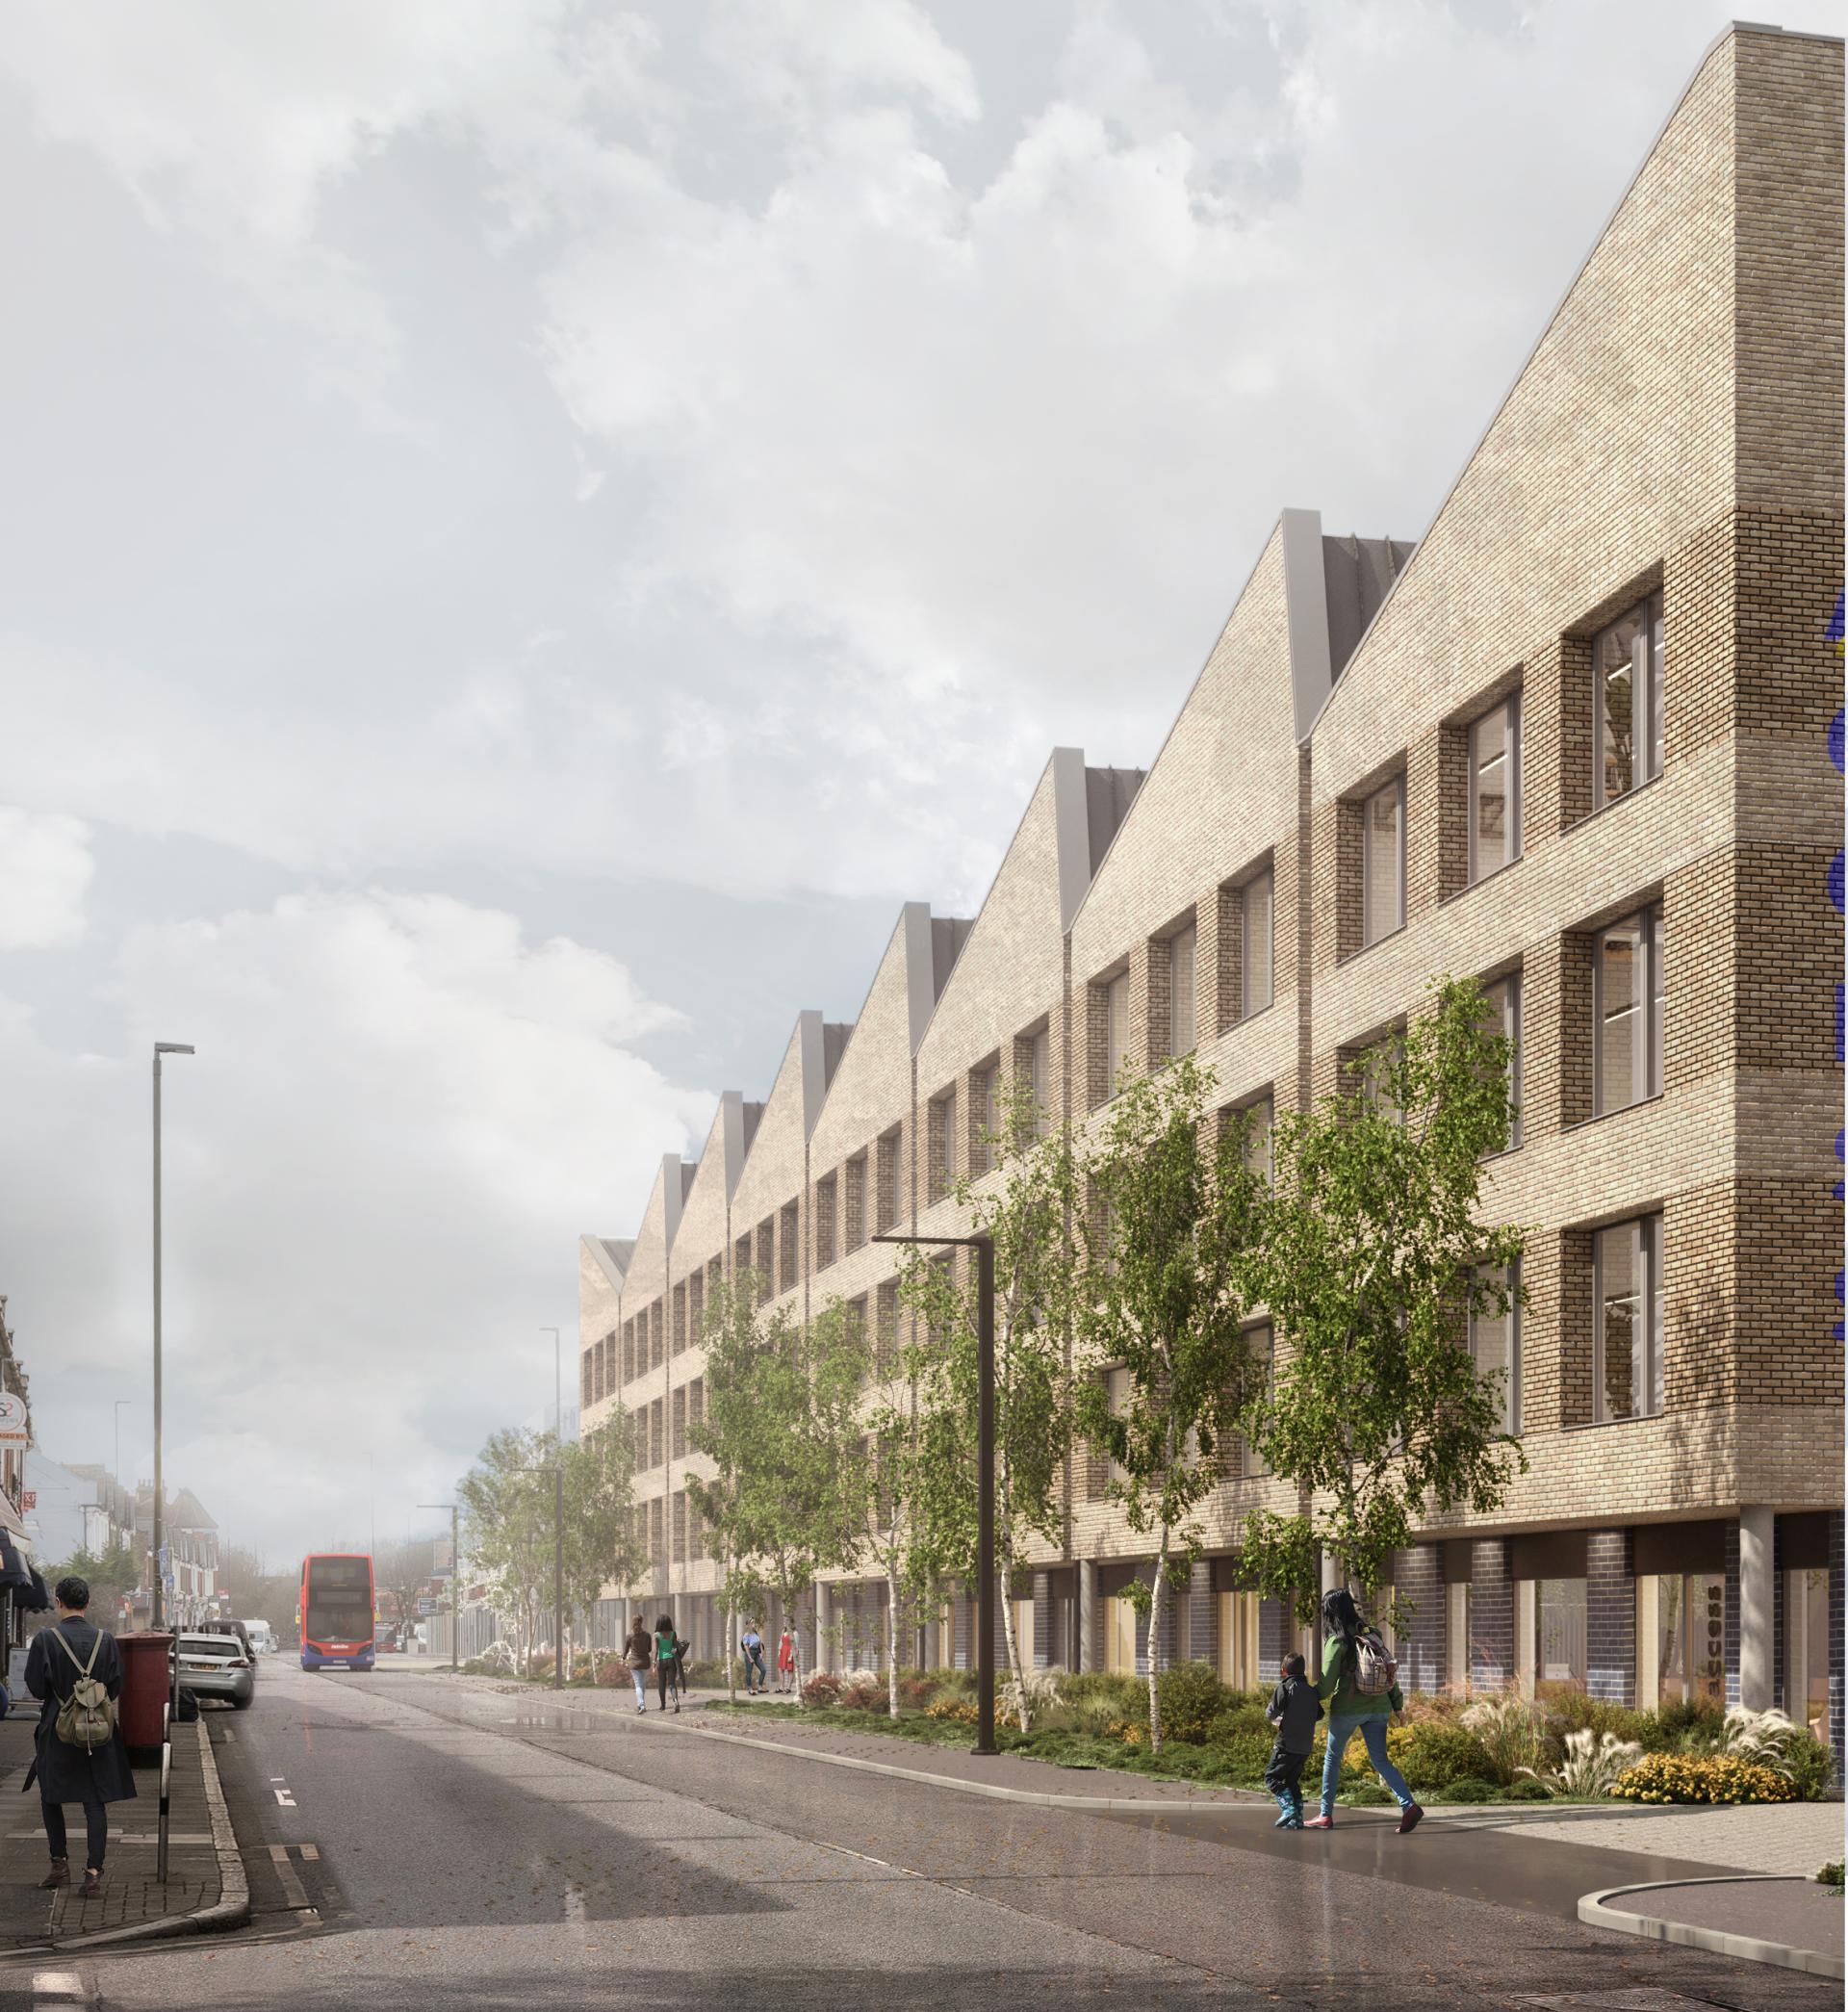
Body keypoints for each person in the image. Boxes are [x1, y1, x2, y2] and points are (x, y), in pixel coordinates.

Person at [22, 1576, 136, 1897]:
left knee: (50, 1797)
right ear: (87, 1603)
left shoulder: (46, 1640)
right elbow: (115, 1687)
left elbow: (36, 1687)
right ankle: (93, 1875)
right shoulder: (106, 1640)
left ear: (58, 1601)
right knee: (95, 1801)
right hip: (97, 1732)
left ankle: (59, 1867)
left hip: (57, 1731)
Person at [1302, 1587, 1422, 1834]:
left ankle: (1325, 1814)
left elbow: (1325, 1687)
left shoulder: (1337, 1641)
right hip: (1379, 1706)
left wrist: (1305, 1696)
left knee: (1332, 1758)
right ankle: (1408, 1805)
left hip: (1348, 1708)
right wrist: (1397, 1705)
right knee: (1380, 1759)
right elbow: (1388, 1671)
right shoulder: (1372, 1633)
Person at [1264, 1651, 1322, 1829]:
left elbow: (1271, 1712)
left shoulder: (1284, 1687)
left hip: (1286, 1743)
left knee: (1272, 1777)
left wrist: (1279, 1718)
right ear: (1304, 1671)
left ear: (1283, 1671)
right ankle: (1297, 1818)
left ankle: (1289, 1810)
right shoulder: (1311, 1691)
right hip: (1304, 1747)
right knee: (1291, 1781)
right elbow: (1319, 1714)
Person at [623, 1617, 653, 1714]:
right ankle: (641, 1704)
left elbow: (626, 1650)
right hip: (645, 1663)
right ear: (641, 1622)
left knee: (638, 1685)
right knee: (642, 1685)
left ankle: (641, 1705)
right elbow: (649, 1649)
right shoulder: (647, 1635)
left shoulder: (629, 1636)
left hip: (635, 1664)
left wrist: (623, 1657)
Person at [653, 1614, 680, 1715]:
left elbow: (655, 1650)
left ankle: (663, 1706)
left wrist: (654, 1663)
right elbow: (675, 1648)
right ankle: (675, 1701)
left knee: (661, 1684)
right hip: (671, 1660)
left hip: (661, 1661)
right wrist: (672, 1652)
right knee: (672, 1683)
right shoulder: (673, 1633)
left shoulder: (656, 1635)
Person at [740, 1621, 767, 1695]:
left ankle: (760, 1687)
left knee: (763, 1670)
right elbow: (746, 1647)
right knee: (749, 1672)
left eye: (754, 1623)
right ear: (748, 1625)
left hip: (757, 1653)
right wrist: (750, 1657)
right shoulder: (746, 1635)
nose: (754, 1625)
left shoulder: (756, 1633)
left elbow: (760, 1643)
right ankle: (750, 1689)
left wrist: (762, 1652)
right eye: (752, 1623)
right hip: (750, 1653)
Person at [776, 1626, 796, 1694]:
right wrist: (779, 1650)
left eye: (786, 1621)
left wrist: (791, 1655)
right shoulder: (783, 1631)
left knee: (790, 1670)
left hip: (789, 1651)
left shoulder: (793, 1633)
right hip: (783, 1651)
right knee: (780, 1669)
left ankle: (788, 1688)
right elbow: (780, 1641)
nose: (785, 1623)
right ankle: (782, 1687)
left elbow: (794, 1645)